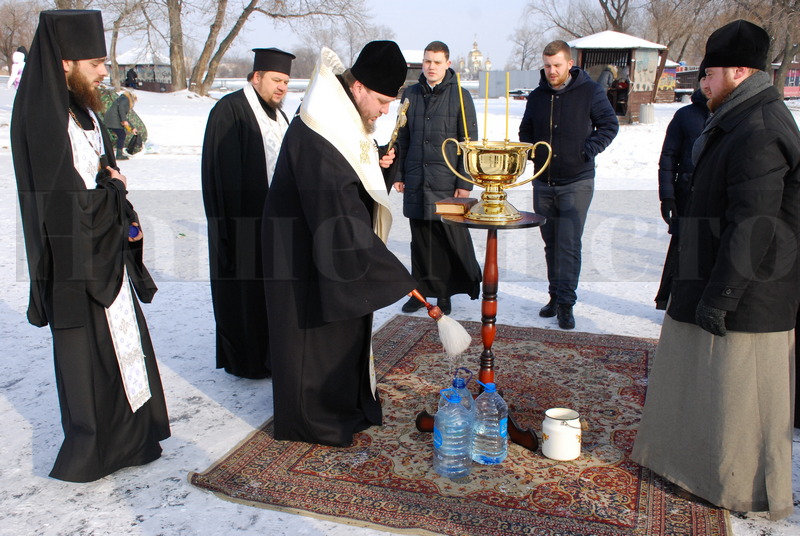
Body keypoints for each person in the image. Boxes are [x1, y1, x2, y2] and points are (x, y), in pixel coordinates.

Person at [631, 20, 800, 520]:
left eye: (709, 74)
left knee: (741, 399)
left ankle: (738, 489)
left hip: (749, 291)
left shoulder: (760, 128)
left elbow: (755, 223)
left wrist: (721, 295)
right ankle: (694, 469)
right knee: (701, 381)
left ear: (740, 71)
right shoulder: (736, 116)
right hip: (709, 271)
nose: (702, 83)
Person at [11, 9, 170, 482]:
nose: (105, 72)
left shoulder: (83, 106)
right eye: (96, 62)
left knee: (122, 348)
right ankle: (94, 450)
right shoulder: (40, 113)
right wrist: (110, 193)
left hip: (104, 249)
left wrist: (111, 185)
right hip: (74, 258)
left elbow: (98, 168)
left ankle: (130, 439)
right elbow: (58, 203)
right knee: (88, 356)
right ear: (65, 62)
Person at [262, 41, 417, 447]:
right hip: (302, 250)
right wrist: (392, 274)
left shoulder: (345, 116)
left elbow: (352, 186)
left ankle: (344, 403)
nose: (385, 111)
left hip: (326, 243)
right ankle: (314, 417)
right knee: (312, 338)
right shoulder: (321, 129)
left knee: (342, 328)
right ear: (359, 86)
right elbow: (338, 214)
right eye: (383, 101)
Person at [201, 47, 294, 379]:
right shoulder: (230, 111)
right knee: (244, 294)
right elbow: (218, 176)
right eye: (275, 80)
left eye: (285, 81)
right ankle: (248, 361)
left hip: (275, 224)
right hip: (241, 223)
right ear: (256, 77)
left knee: (272, 294)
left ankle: (273, 355)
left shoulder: (281, 116)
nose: (281, 87)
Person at [518, 40, 619, 329]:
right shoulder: (537, 96)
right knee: (551, 243)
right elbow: (526, 130)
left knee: (568, 243)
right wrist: (532, 152)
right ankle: (554, 296)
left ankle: (566, 303)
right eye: (547, 66)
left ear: (569, 64)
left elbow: (609, 126)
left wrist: (585, 151)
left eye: (557, 66)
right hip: (544, 181)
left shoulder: (590, 92)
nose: (551, 71)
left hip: (577, 181)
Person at [394, 41, 481, 316]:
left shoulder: (461, 96)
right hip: (416, 179)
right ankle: (418, 293)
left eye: (436, 62)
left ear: (448, 64)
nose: (431, 67)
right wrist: (399, 173)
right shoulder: (410, 93)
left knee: (444, 241)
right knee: (419, 240)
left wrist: (464, 183)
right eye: (427, 61)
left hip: (446, 181)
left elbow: (469, 143)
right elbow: (401, 137)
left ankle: (443, 295)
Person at [653, 65, 709, 309]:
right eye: (703, 77)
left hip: (717, 198)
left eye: (712, 76)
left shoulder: (732, 114)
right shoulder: (686, 115)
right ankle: (673, 303)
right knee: (682, 253)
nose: (707, 83)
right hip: (686, 196)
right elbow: (668, 158)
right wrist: (668, 198)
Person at [104, 90, 138, 161]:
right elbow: (121, 109)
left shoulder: (122, 98)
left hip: (110, 119)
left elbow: (124, 115)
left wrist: (132, 128)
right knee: (122, 135)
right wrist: (124, 121)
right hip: (113, 119)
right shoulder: (125, 99)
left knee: (117, 135)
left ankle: (112, 153)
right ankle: (119, 154)